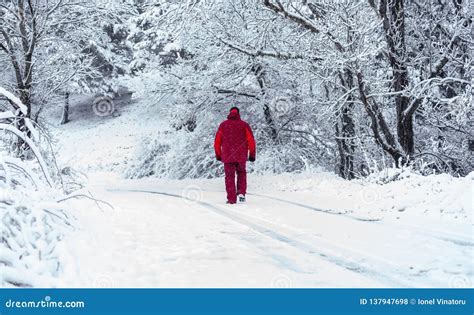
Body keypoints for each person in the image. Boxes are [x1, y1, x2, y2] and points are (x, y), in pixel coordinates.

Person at [214, 107, 256, 204]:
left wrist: (218, 155)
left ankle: (231, 199)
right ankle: (241, 192)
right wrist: (252, 154)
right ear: (238, 114)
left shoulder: (223, 125)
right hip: (241, 156)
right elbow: (251, 141)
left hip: (227, 157)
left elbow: (217, 142)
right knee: (241, 173)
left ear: (230, 113)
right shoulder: (244, 125)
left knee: (229, 177)